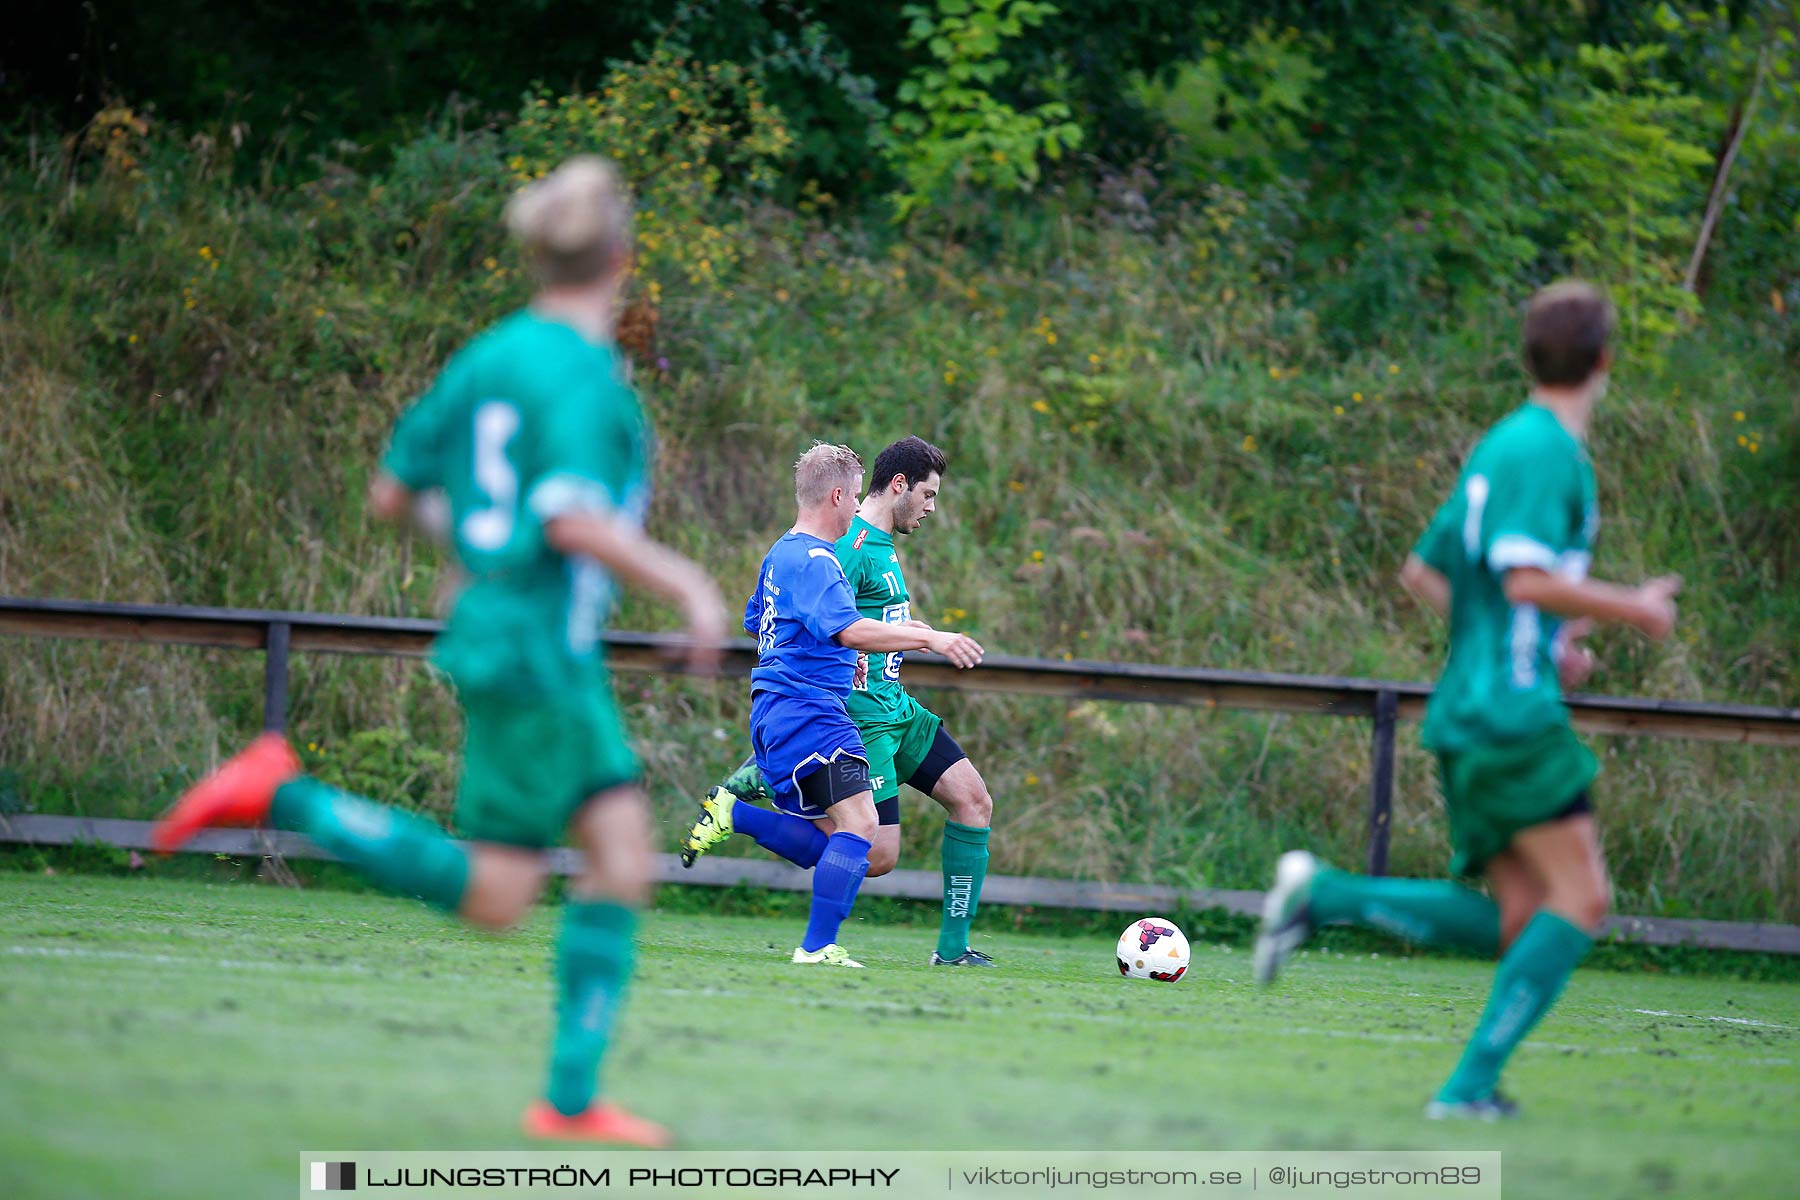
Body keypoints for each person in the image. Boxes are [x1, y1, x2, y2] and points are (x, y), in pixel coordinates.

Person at [152, 156, 727, 1146]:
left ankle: (573, 1101)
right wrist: (691, 586)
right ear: (622, 261)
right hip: (535, 649)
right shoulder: (588, 380)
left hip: (525, 642)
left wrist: (475, 545)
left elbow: (390, 494)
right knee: (504, 895)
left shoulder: (489, 356)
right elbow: (574, 523)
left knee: (622, 856)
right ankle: (280, 793)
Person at [1252, 280, 1681, 1119]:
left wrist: (1539, 645)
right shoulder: (1545, 452)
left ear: (1530, 354)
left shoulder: (1498, 449)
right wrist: (1634, 606)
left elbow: (1427, 569)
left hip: (1475, 708)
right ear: (1604, 361)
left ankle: (1327, 899)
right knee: (1583, 901)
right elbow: (1522, 577)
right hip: (1513, 717)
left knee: (1523, 923)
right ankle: (1464, 1084)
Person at [683, 436, 998, 965]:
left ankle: (950, 949)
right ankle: (806, 924)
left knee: (972, 800)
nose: (931, 507)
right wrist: (928, 638)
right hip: (846, 715)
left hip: (891, 707)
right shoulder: (833, 552)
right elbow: (845, 626)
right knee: (870, 850)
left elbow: (770, 616)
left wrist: (896, 630)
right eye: (928, 495)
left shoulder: (806, 550)